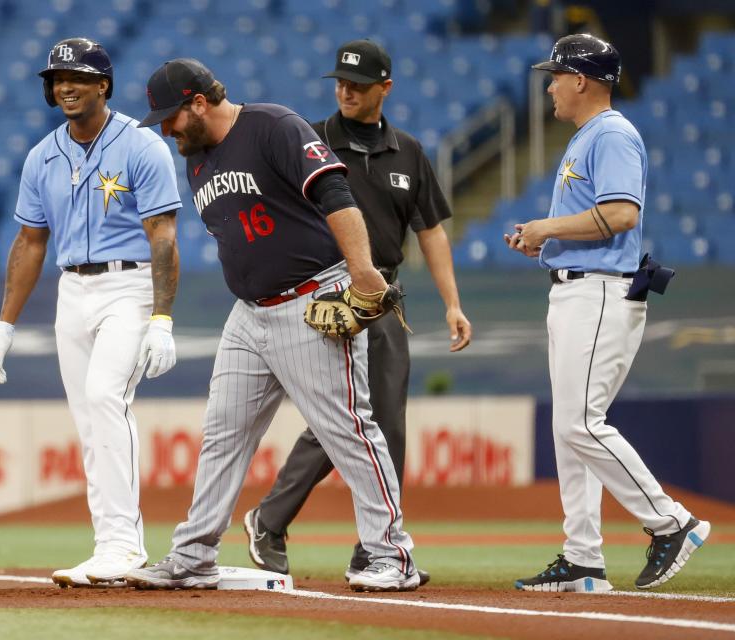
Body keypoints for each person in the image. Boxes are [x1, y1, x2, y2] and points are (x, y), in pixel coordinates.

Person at [125, 58, 425, 592]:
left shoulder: (273, 125)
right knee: (222, 435)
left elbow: (336, 195)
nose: (166, 130)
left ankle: (391, 555)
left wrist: (361, 273)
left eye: (170, 117)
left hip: (309, 300)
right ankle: (193, 557)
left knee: (348, 431)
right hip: (248, 315)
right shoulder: (197, 160)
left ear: (198, 102)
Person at [242, 39, 472, 580]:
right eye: (340, 82)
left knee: (384, 422)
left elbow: (431, 232)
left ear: (384, 89)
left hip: (383, 297)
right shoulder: (311, 139)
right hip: (323, 293)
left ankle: (366, 544)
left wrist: (452, 304)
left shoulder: (409, 152)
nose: (345, 91)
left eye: (358, 84)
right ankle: (276, 522)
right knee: (340, 416)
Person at [507, 34, 710, 592]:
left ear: (581, 80)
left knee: (580, 423)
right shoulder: (588, 137)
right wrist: (542, 241)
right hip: (577, 286)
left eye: (555, 75)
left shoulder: (613, 133)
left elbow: (621, 214)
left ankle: (672, 522)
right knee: (566, 427)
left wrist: (549, 229)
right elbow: (598, 217)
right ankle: (583, 559)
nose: (549, 85)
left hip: (600, 291)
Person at [0, 38, 182, 588]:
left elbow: (163, 234)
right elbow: (29, 241)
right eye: (56, 78)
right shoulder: (42, 155)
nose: (65, 85)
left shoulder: (141, 145)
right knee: (89, 421)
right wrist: (5, 323)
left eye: (78, 76)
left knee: (104, 398)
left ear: (104, 85)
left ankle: (124, 546)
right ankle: (108, 545)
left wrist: (162, 319)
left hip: (130, 285)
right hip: (72, 291)